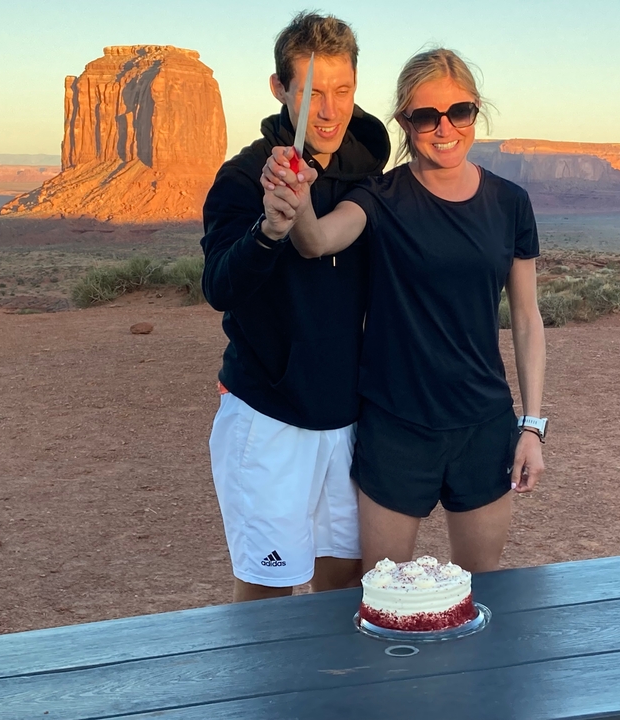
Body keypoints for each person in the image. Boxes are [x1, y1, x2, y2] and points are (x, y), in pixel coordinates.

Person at [261, 48, 546, 574]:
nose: (445, 128)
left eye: (459, 112)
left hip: (482, 425)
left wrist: (532, 426)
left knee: (480, 593)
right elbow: (317, 242)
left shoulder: (510, 203)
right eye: (424, 116)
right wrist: (297, 203)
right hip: (396, 427)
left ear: (475, 111)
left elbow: (527, 319)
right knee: (382, 594)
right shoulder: (380, 197)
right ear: (403, 122)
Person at [200, 12, 391, 602]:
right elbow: (219, 287)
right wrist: (268, 231)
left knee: (346, 581)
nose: (329, 111)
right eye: (311, 93)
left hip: (348, 420)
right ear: (281, 89)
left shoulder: (368, 173)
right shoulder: (242, 179)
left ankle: (331, 696)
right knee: (268, 596)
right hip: (270, 416)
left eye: (342, 91)